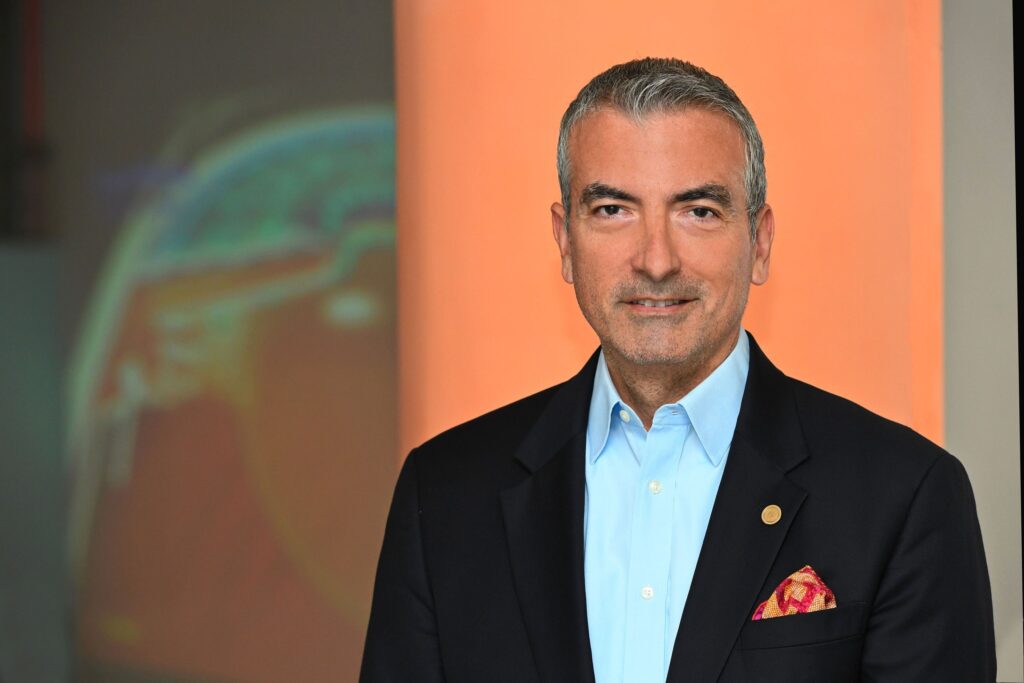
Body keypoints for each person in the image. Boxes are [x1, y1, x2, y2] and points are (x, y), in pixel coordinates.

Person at [360, 58, 996, 682]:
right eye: (613, 210)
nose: (656, 260)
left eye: (699, 211)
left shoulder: (903, 496)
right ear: (565, 240)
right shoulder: (442, 495)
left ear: (760, 242)